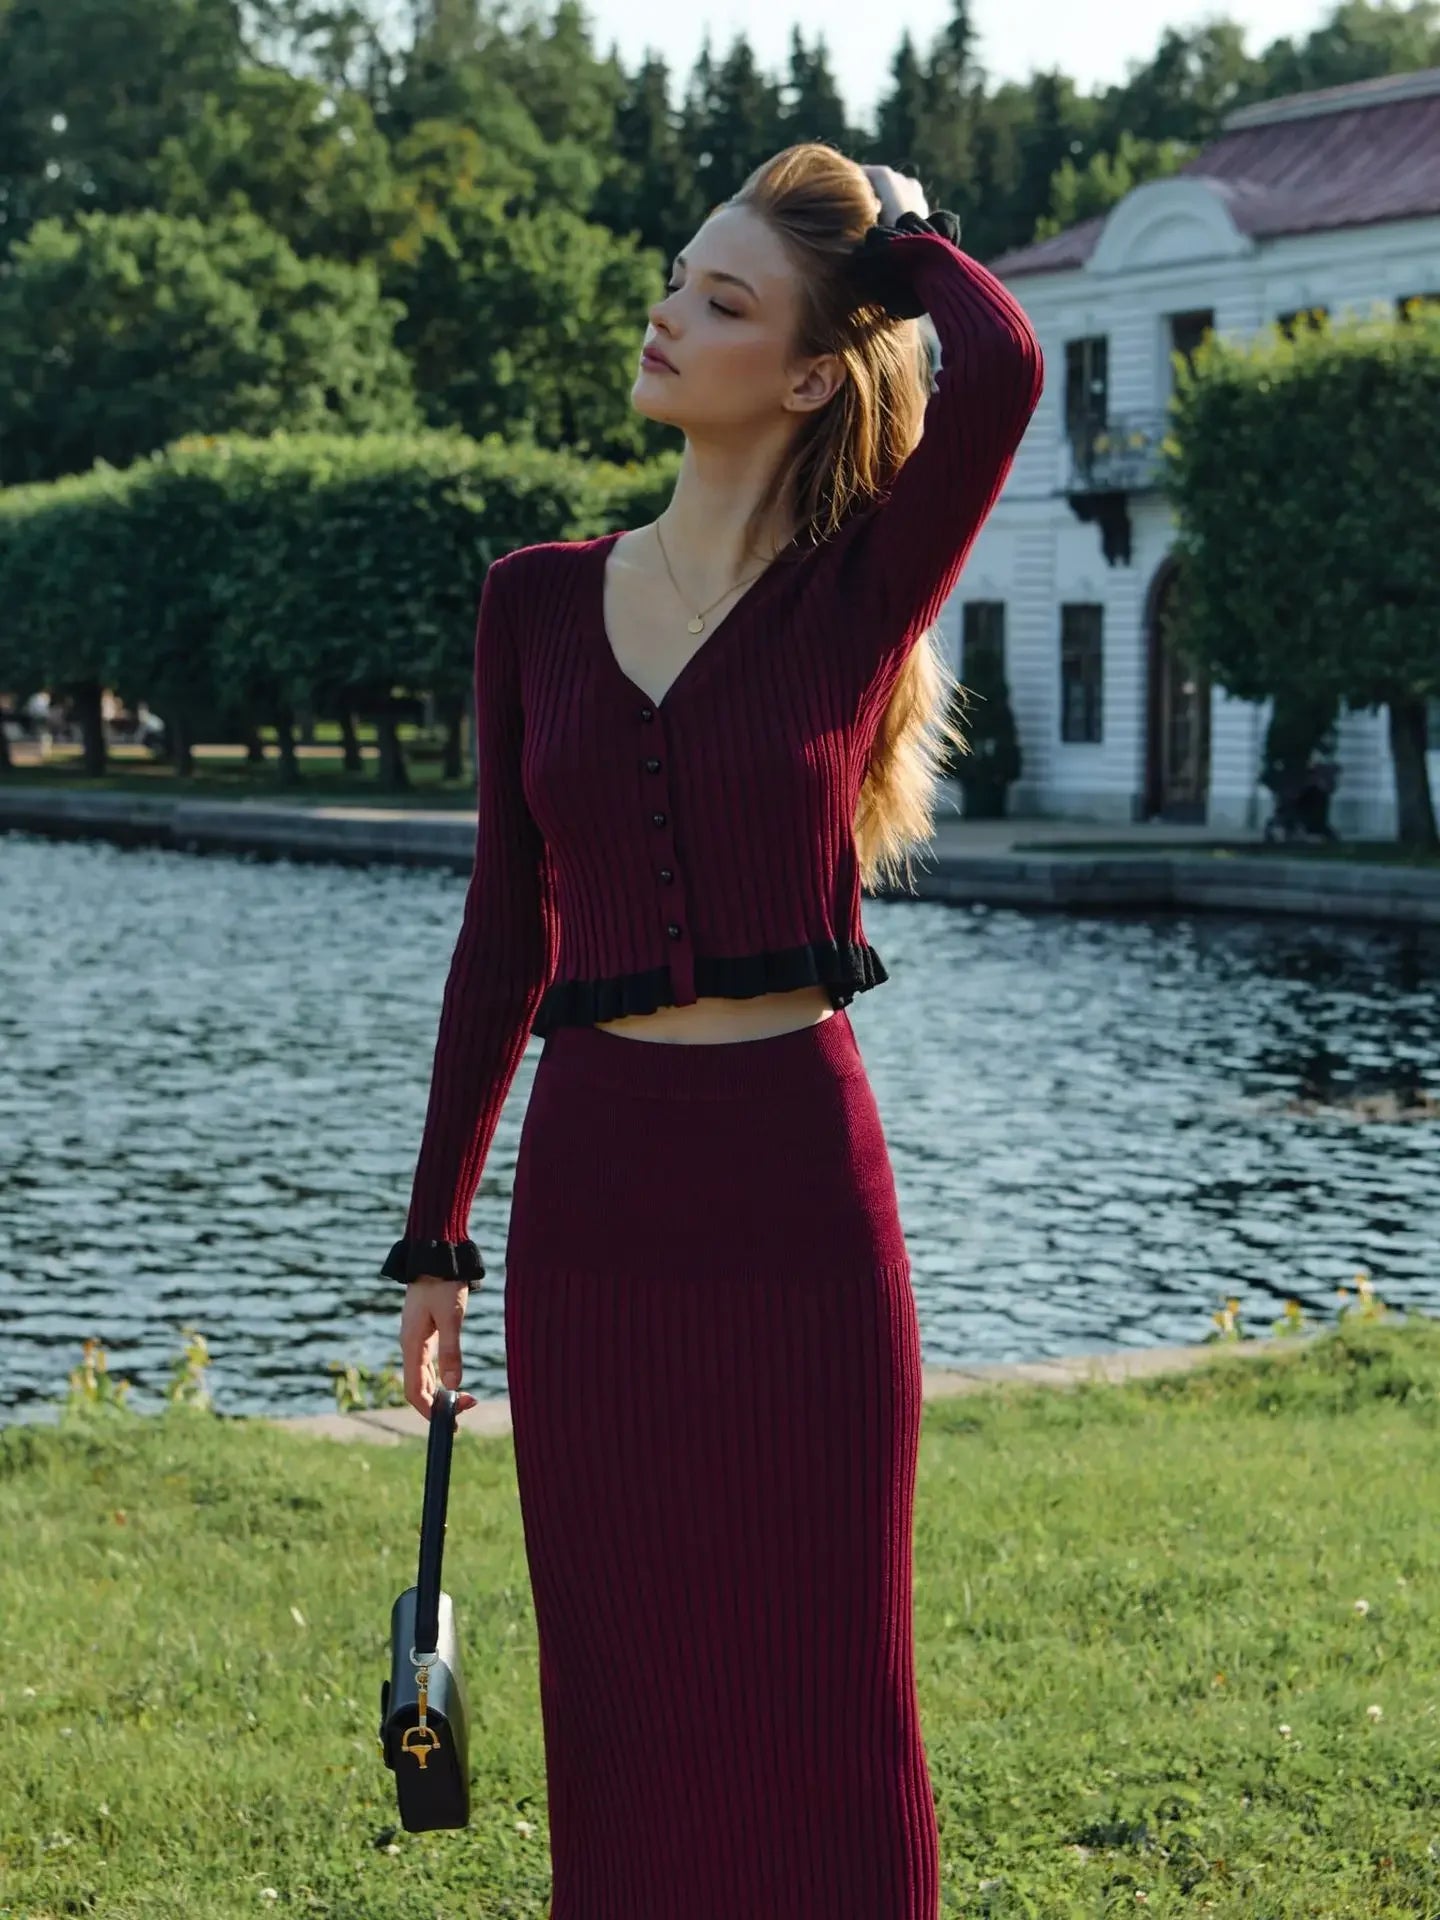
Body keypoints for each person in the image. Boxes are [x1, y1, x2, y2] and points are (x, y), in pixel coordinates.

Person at [386, 142, 1043, 1917]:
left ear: (815, 368)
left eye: (727, 302)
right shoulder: (532, 599)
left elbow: (1006, 373)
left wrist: (904, 236)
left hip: (799, 1212)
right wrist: (437, 1232)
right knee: (625, 1698)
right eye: (678, 280)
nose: (671, 317)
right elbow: (501, 935)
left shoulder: (856, 593)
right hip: (593, 1218)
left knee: (830, 1690)